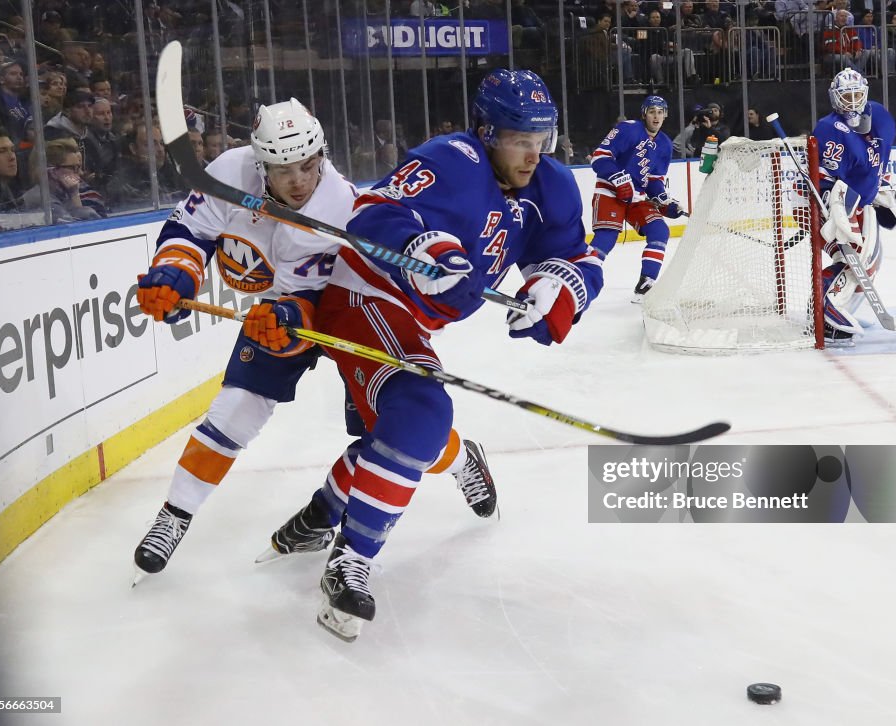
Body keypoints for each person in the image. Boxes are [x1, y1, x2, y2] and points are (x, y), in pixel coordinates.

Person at [269, 69, 603, 641]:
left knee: (406, 433)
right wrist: (426, 249)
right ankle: (351, 559)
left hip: (417, 324)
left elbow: (580, 258)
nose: (531, 154)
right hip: (366, 294)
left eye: (540, 140)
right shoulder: (451, 159)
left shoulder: (551, 185)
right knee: (421, 415)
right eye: (518, 140)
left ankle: (327, 511)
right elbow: (373, 212)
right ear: (486, 132)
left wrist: (555, 290)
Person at [131, 99, 496, 582]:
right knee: (235, 409)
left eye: (308, 165)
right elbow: (190, 230)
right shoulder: (227, 172)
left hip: (346, 306)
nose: (299, 180)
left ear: (321, 154)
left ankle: (459, 459)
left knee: (392, 433)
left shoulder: (340, 206)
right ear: (260, 164)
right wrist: (174, 274)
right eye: (283, 171)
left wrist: (289, 316)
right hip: (276, 307)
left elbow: (313, 298)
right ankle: (173, 516)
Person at [813, 69, 896, 342]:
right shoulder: (830, 129)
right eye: (847, 95)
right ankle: (824, 307)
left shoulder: (879, 115)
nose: (853, 101)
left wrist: (883, 189)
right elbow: (822, 179)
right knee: (852, 256)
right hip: (826, 203)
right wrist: (834, 207)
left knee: (870, 261)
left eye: (857, 94)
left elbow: (880, 159)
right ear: (835, 98)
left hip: (859, 202)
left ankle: (841, 309)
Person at [588, 95, 685, 301]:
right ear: (644, 114)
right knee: (606, 237)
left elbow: (653, 180)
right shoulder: (628, 129)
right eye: (652, 111)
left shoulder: (665, 145)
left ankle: (646, 284)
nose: (656, 116)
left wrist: (664, 201)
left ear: (665, 115)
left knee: (660, 230)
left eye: (660, 112)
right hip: (610, 191)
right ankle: (579, 276)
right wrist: (618, 178)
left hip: (637, 198)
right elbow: (600, 156)